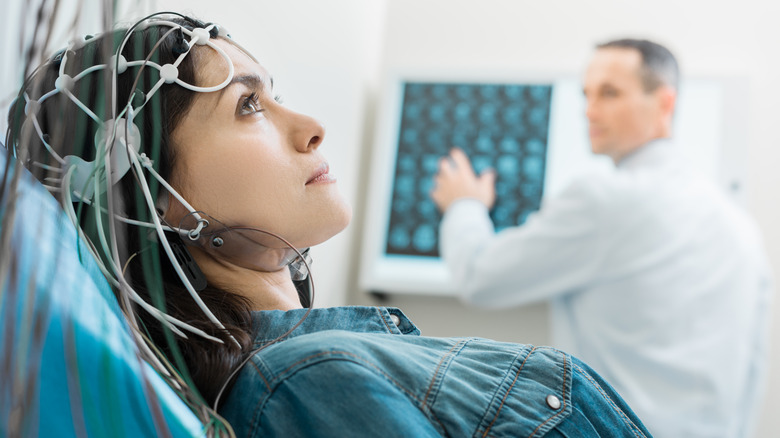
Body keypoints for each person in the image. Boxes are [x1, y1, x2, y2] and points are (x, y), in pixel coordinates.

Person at [4, 14, 654, 437]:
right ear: (156, 195)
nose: (310, 125)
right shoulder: (303, 379)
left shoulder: (322, 364)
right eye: (249, 105)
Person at [431, 39, 772, 438]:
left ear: (664, 103)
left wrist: (465, 206)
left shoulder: (605, 200)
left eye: (610, 93)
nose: (590, 111)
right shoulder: (740, 226)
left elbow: (478, 276)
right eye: (586, 95)